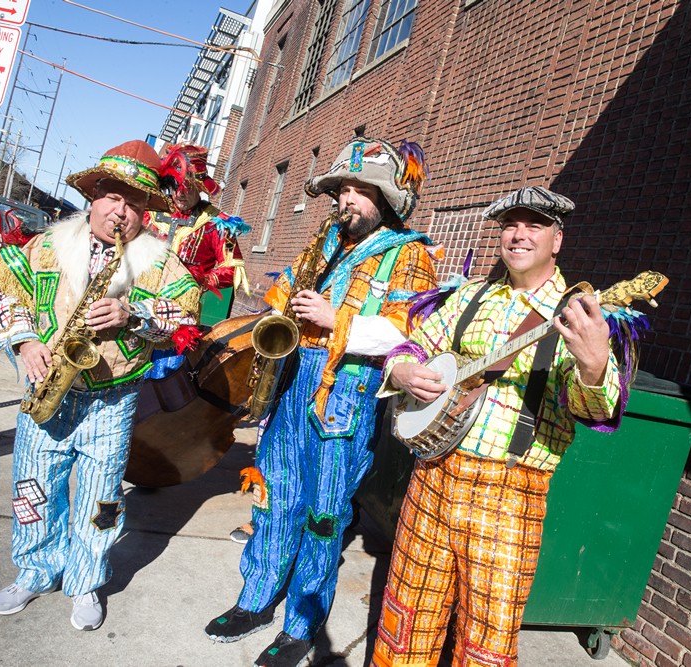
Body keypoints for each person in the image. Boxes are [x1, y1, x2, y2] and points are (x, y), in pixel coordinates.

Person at [370, 186, 643, 667]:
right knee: (406, 620)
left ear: (556, 240)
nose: (518, 235)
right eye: (510, 225)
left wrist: (596, 367)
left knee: (487, 644)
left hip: (508, 495)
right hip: (432, 479)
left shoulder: (580, 318)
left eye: (533, 225)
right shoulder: (469, 296)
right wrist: (404, 371)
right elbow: (411, 346)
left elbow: (593, 411)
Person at [205, 137, 439, 667]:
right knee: (275, 497)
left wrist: (339, 321)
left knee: (323, 514)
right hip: (291, 381)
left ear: (385, 200)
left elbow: (412, 333)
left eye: (359, 191)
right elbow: (280, 301)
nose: (346, 200)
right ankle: (256, 598)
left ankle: (302, 624)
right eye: (341, 190)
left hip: (345, 397)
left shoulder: (411, 254)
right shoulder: (322, 243)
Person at [0, 140, 201, 632]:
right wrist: (24, 344)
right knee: (33, 490)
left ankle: (85, 580)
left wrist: (135, 315)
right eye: (112, 197)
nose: (120, 211)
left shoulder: (161, 263)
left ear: (146, 211)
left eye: (134, 203)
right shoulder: (46, 247)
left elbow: (186, 318)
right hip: (49, 388)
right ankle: (36, 570)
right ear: (93, 194)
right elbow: (6, 297)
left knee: (102, 499)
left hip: (114, 397)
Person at [142, 142, 250, 380]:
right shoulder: (149, 212)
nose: (181, 192)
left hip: (178, 322)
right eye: (175, 185)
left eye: (188, 187)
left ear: (200, 187)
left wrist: (200, 280)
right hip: (136, 311)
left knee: (162, 389)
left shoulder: (217, 224)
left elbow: (232, 269)